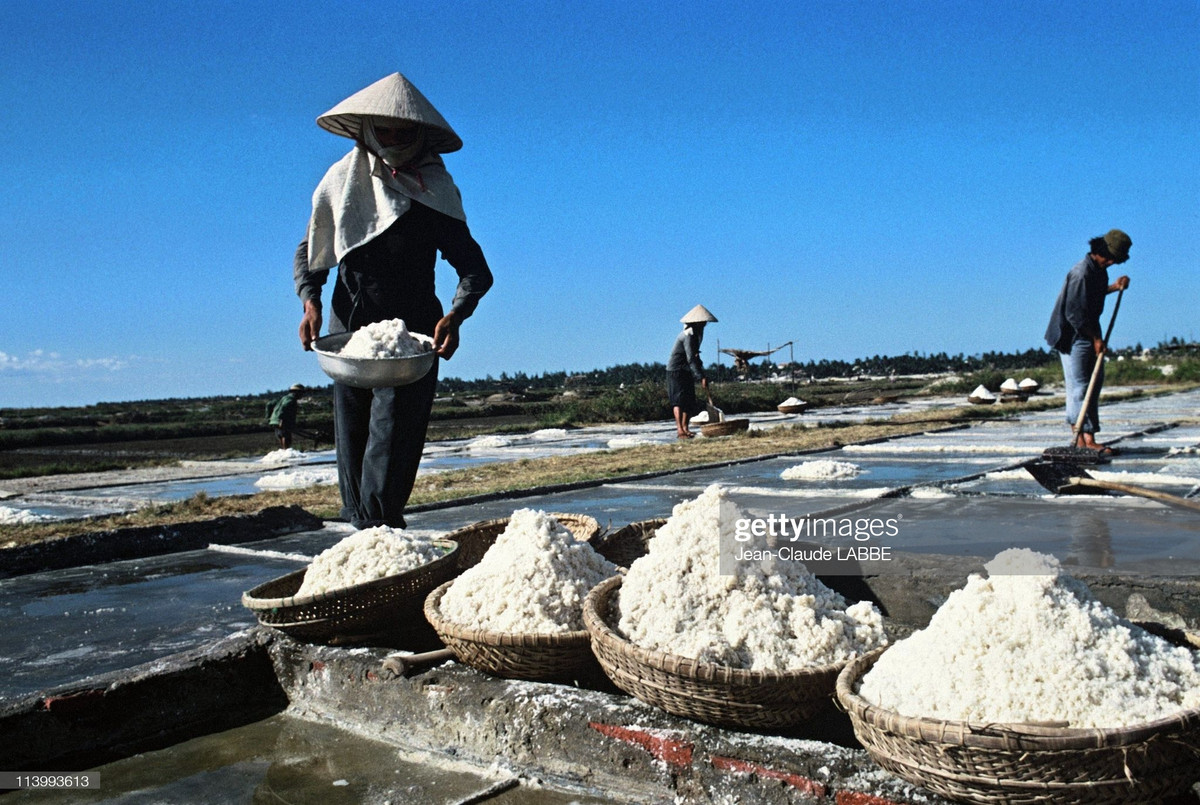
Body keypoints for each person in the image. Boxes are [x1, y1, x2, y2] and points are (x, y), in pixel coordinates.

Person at [293, 73, 493, 528]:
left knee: (394, 433)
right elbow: (312, 247)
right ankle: (358, 530)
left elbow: (475, 270)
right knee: (354, 434)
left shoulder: (432, 188)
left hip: (412, 333)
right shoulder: (341, 182)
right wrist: (310, 301)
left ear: (420, 133)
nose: (395, 140)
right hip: (352, 333)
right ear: (367, 129)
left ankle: (380, 526)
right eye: (385, 131)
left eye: (405, 131)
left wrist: (456, 315)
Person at [1044, 229, 1131, 455]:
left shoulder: (1098, 270)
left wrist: (1115, 286)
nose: (1113, 263)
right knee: (1080, 387)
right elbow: (1075, 315)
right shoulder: (1081, 273)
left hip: (1088, 332)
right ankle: (1082, 439)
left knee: (1092, 384)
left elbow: (1097, 294)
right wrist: (1095, 339)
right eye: (1113, 259)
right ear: (1104, 254)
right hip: (1073, 335)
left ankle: (1086, 437)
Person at [667, 305, 717, 439]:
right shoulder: (687, 335)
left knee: (689, 401)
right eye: (703, 322)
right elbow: (690, 358)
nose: (705, 324)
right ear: (697, 322)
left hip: (686, 369)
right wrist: (700, 376)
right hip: (676, 370)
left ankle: (686, 428)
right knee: (678, 401)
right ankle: (680, 430)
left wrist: (702, 372)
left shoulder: (698, 334)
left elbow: (695, 356)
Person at [267, 384, 306, 449]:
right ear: (297, 392)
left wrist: (269, 418)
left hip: (275, 421)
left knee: (281, 436)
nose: (302, 395)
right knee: (286, 437)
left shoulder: (285, 398)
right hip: (282, 421)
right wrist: (281, 420)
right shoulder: (291, 400)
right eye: (301, 393)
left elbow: (269, 404)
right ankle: (286, 451)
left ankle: (285, 451)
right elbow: (284, 408)